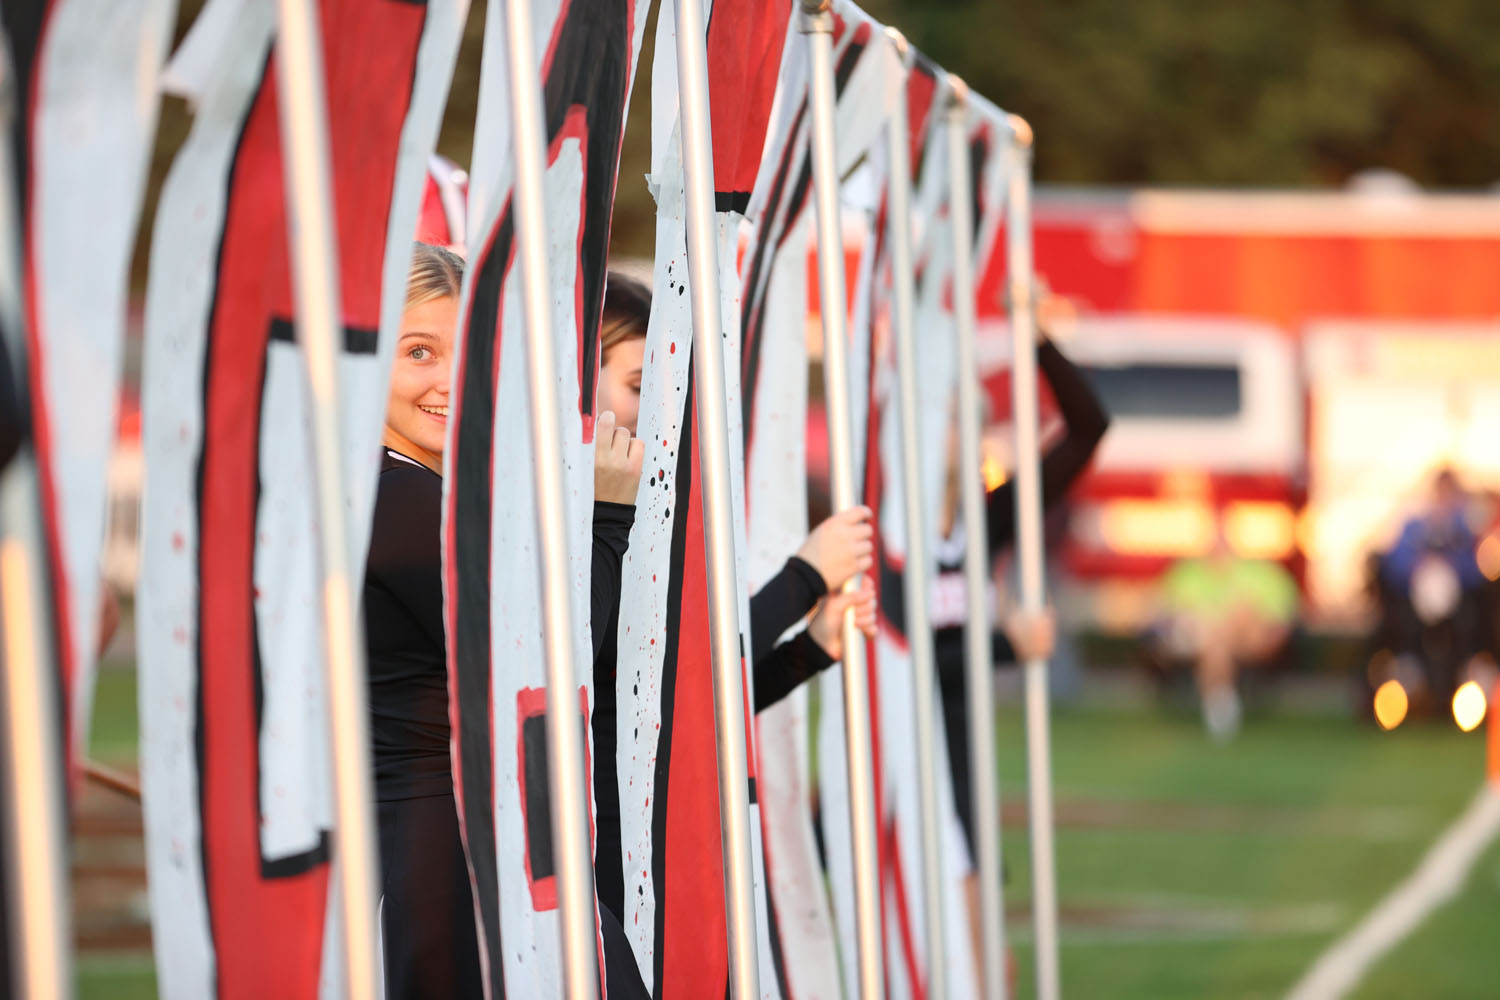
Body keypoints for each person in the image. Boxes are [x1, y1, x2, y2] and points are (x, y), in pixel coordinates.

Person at [364, 244, 648, 997]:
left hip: (476, 842)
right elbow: (547, 659)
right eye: (418, 351)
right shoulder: (396, 501)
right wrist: (612, 513)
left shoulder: (419, 490)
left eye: (469, 351)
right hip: (447, 861)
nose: (447, 380)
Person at [589, 271, 877, 920]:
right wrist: (803, 578)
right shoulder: (570, 521)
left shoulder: (630, 508)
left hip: (651, 836)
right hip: (597, 849)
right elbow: (659, 676)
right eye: (640, 387)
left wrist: (808, 651)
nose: (659, 411)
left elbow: (675, 704)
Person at [1155, 528, 1298, 740]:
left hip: (1246, 640)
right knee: (1212, 634)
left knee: (1231, 623)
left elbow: (1281, 617)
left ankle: (1219, 708)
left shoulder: (1259, 573)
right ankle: (1222, 707)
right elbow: (1166, 617)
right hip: (1197, 639)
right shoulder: (1186, 574)